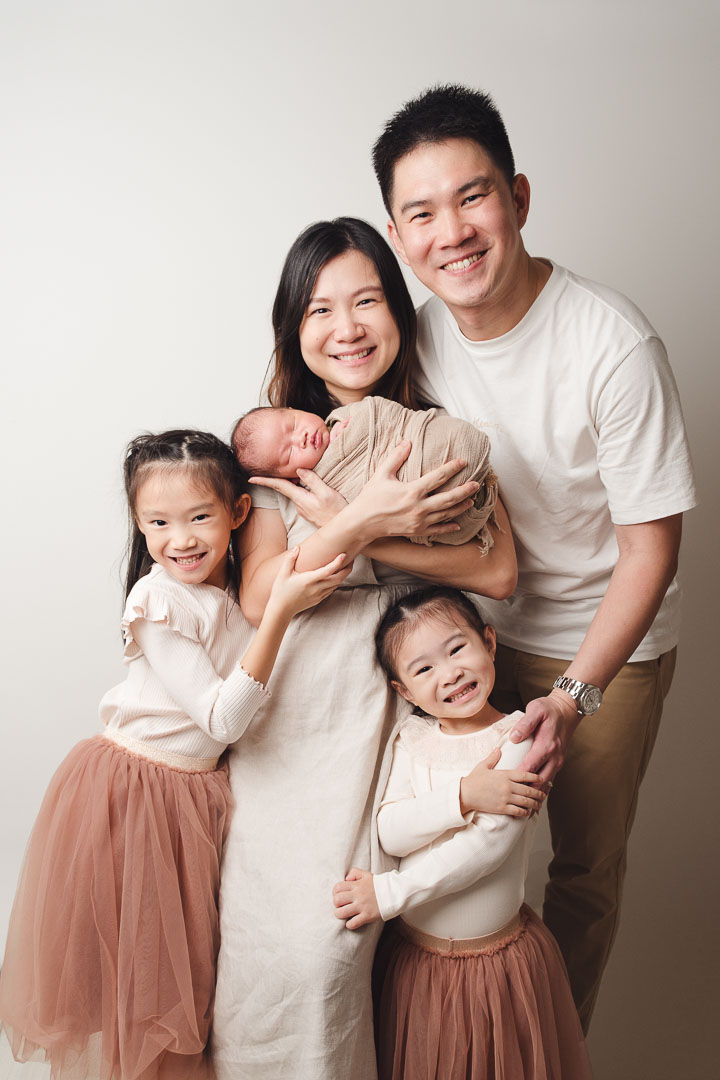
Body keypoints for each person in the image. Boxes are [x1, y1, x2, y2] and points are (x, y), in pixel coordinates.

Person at [371, 84, 697, 1030]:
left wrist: (575, 695)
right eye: (423, 213)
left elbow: (652, 548)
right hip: (462, 626)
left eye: (473, 198)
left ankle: (546, 1049)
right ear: (398, 236)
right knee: (429, 834)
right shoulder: (416, 340)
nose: (454, 233)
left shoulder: (613, 343)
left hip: (602, 644)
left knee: (581, 870)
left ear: (517, 196)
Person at [211, 217, 517, 1080]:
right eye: (319, 310)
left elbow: (497, 571)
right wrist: (365, 520)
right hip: (300, 726)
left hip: (400, 716)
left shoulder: (431, 432)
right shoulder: (274, 452)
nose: (345, 328)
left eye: (367, 301)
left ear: (399, 313)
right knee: (295, 955)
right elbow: (264, 594)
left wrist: (378, 535)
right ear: (293, 329)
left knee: (382, 961)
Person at [0, 429, 348, 1080]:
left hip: (194, 798)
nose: (179, 539)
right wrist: (280, 618)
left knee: (193, 973)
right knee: (141, 986)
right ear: (138, 523)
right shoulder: (156, 599)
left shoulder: (236, 597)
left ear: (238, 514)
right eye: (157, 522)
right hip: (132, 795)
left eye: (199, 518)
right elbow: (221, 720)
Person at [333, 585, 591, 1080]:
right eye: (423, 669)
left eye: (457, 650)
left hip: (496, 968)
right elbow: (391, 831)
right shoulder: (411, 738)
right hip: (417, 962)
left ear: (489, 643)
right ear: (404, 691)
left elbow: (486, 848)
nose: (449, 674)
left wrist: (388, 893)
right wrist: (463, 797)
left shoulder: (520, 739)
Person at [231, 397, 498, 549]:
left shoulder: (349, 415)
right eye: (288, 454)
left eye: (292, 424)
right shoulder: (318, 491)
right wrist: (352, 522)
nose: (299, 438)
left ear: (293, 408)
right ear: (290, 478)